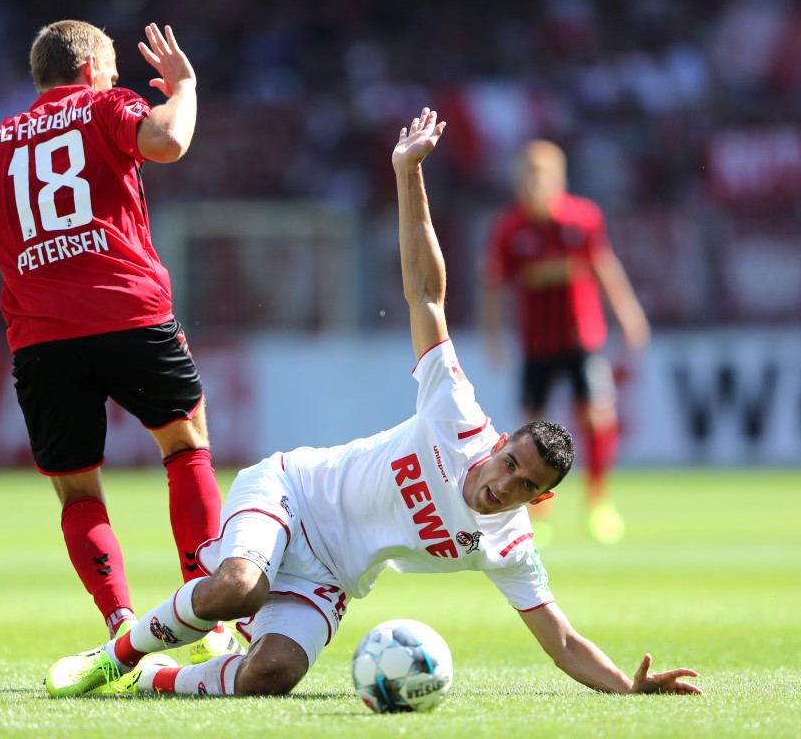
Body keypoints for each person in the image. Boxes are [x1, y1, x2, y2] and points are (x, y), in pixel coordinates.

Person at [42, 109, 701, 700]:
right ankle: (112, 654)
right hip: (290, 491)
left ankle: (150, 678)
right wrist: (406, 172)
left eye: (526, 487)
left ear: (537, 500)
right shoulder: (457, 416)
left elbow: (560, 639)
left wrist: (625, 686)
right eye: (510, 463)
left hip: (330, 574)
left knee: (270, 676)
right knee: (240, 585)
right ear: (498, 442)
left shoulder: (507, 544)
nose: (504, 484)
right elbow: (426, 294)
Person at [0, 21, 235, 654]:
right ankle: (209, 621)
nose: (119, 80)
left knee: (77, 488)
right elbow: (171, 140)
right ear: (91, 66)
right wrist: (186, 86)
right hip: (129, 314)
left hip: (42, 342)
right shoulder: (106, 106)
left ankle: (121, 626)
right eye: (114, 69)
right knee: (184, 443)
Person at [481, 140, 651, 544]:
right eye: (527, 176)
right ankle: (539, 508)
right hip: (536, 343)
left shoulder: (583, 218)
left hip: (582, 338)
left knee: (596, 414)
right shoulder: (510, 227)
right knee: (532, 427)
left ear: (559, 178)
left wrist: (628, 314)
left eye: (542, 175)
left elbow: (604, 267)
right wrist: (492, 335)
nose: (534, 184)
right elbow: (493, 285)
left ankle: (598, 502)